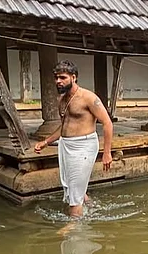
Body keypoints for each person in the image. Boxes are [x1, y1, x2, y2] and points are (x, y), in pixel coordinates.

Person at [34, 59, 113, 218]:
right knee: (71, 185)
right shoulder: (61, 99)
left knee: (75, 191)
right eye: (56, 78)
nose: (58, 81)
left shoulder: (88, 98)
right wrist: (46, 141)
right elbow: (64, 126)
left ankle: (74, 224)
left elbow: (107, 123)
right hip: (65, 145)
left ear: (74, 77)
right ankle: (92, 206)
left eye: (63, 77)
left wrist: (107, 152)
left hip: (84, 146)